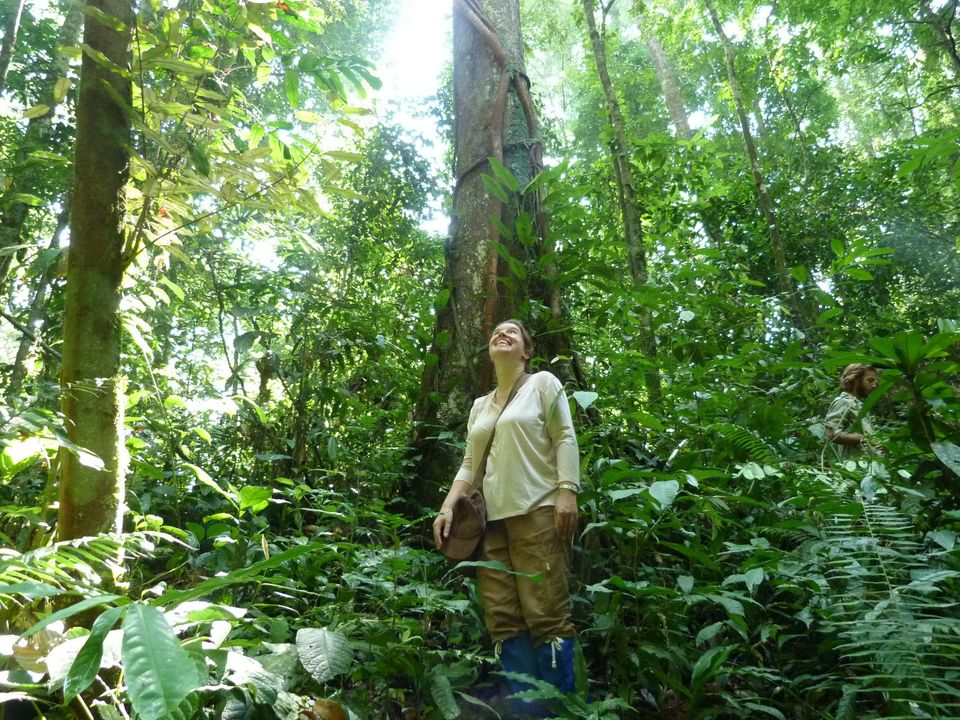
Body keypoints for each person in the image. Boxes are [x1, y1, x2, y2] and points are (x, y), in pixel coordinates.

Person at [433, 319, 580, 716]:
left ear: (526, 351)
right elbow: (470, 464)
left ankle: (556, 709)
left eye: (512, 332)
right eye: (497, 331)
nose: (503, 334)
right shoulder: (480, 405)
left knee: (547, 613)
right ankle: (524, 710)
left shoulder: (543, 383)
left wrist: (568, 489)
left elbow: (564, 436)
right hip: (490, 525)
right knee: (502, 617)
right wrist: (448, 506)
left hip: (539, 510)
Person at [823, 363, 879, 462]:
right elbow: (830, 434)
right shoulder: (843, 402)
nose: (874, 385)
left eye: (876, 382)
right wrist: (860, 438)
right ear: (856, 379)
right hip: (854, 467)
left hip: (868, 465)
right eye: (870, 380)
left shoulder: (858, 404)